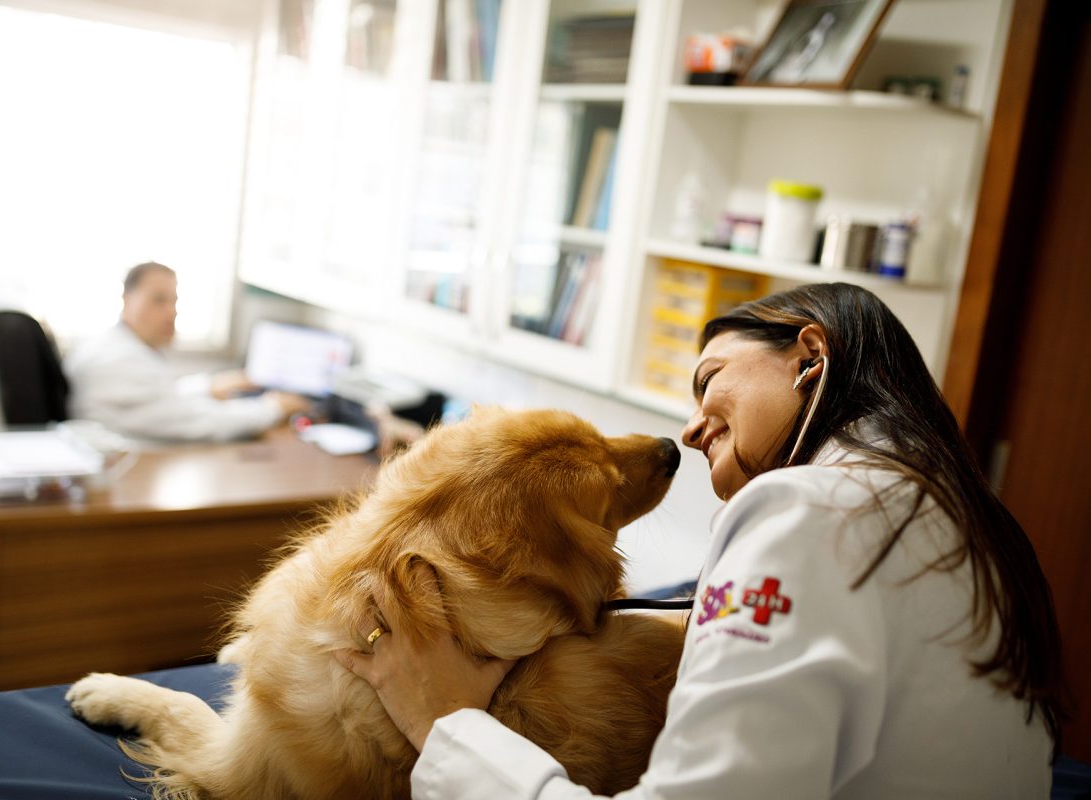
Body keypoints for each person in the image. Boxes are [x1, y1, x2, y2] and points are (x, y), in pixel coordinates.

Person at [335, 283, 1066, 798]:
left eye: (709, 376)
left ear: (810, 355)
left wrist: (445, 723)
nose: (687, 430)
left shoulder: (806, 508)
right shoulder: (959, 523)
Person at [64, 262, 310, 442]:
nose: (172, 312)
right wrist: (271, 408)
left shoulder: (116, 346)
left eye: (175, 301)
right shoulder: (118, 361)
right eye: (159, 300)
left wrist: (208, 386)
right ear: (126, 300)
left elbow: (159, 399)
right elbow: (195, 422)